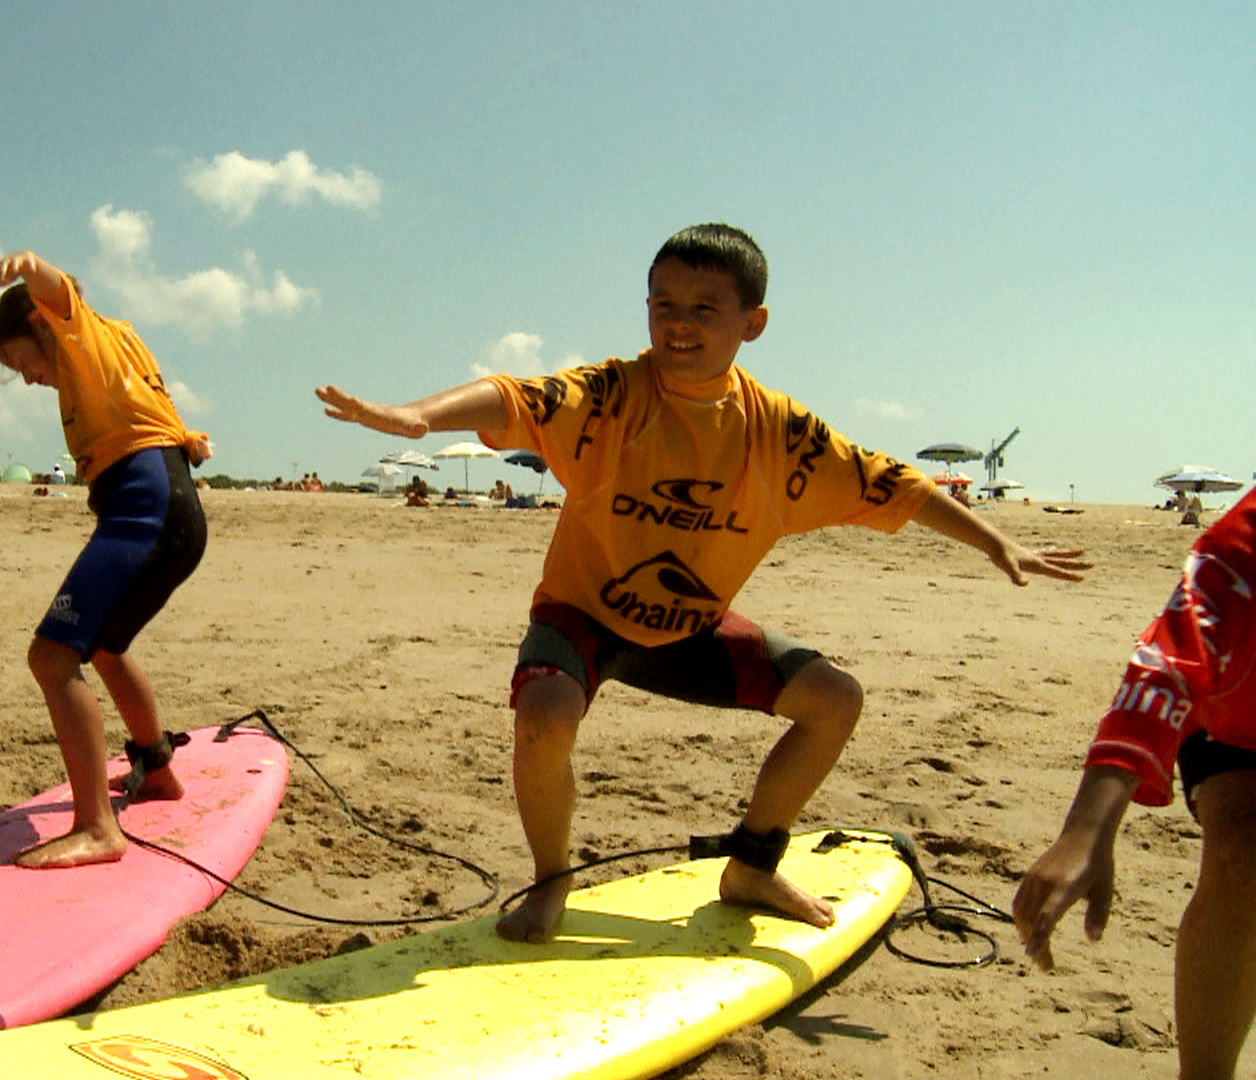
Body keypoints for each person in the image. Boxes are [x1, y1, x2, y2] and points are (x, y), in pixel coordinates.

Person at [317, 223, 1089, 941]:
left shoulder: (780, 433)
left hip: (689, 629)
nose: (678, 322)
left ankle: (753, 868)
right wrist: (419, 417)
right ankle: (552, 877)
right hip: (581, 615)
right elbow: (516, 397)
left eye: (704, 308)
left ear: (752, 322)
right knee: (545, 716)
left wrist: (996, 543)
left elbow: (898, 485)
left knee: (834, 702)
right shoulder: (613, 396)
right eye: (663, 304)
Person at [1014, 488, 1256, 1080]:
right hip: (1236, 725)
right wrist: (1087, 829)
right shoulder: (1240, 550)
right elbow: (1164, 666)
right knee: (1243, 855)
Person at [0, 250, 213, 868]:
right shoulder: (115, 341)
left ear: (40, 326)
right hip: (168, 503)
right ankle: (155, 765)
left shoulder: (75, 328)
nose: (27, 378)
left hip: (147, 502)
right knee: (104, 645)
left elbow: (57, 294)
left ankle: (97, 828)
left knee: (52, 656)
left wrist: (33, 269)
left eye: (22, 361)